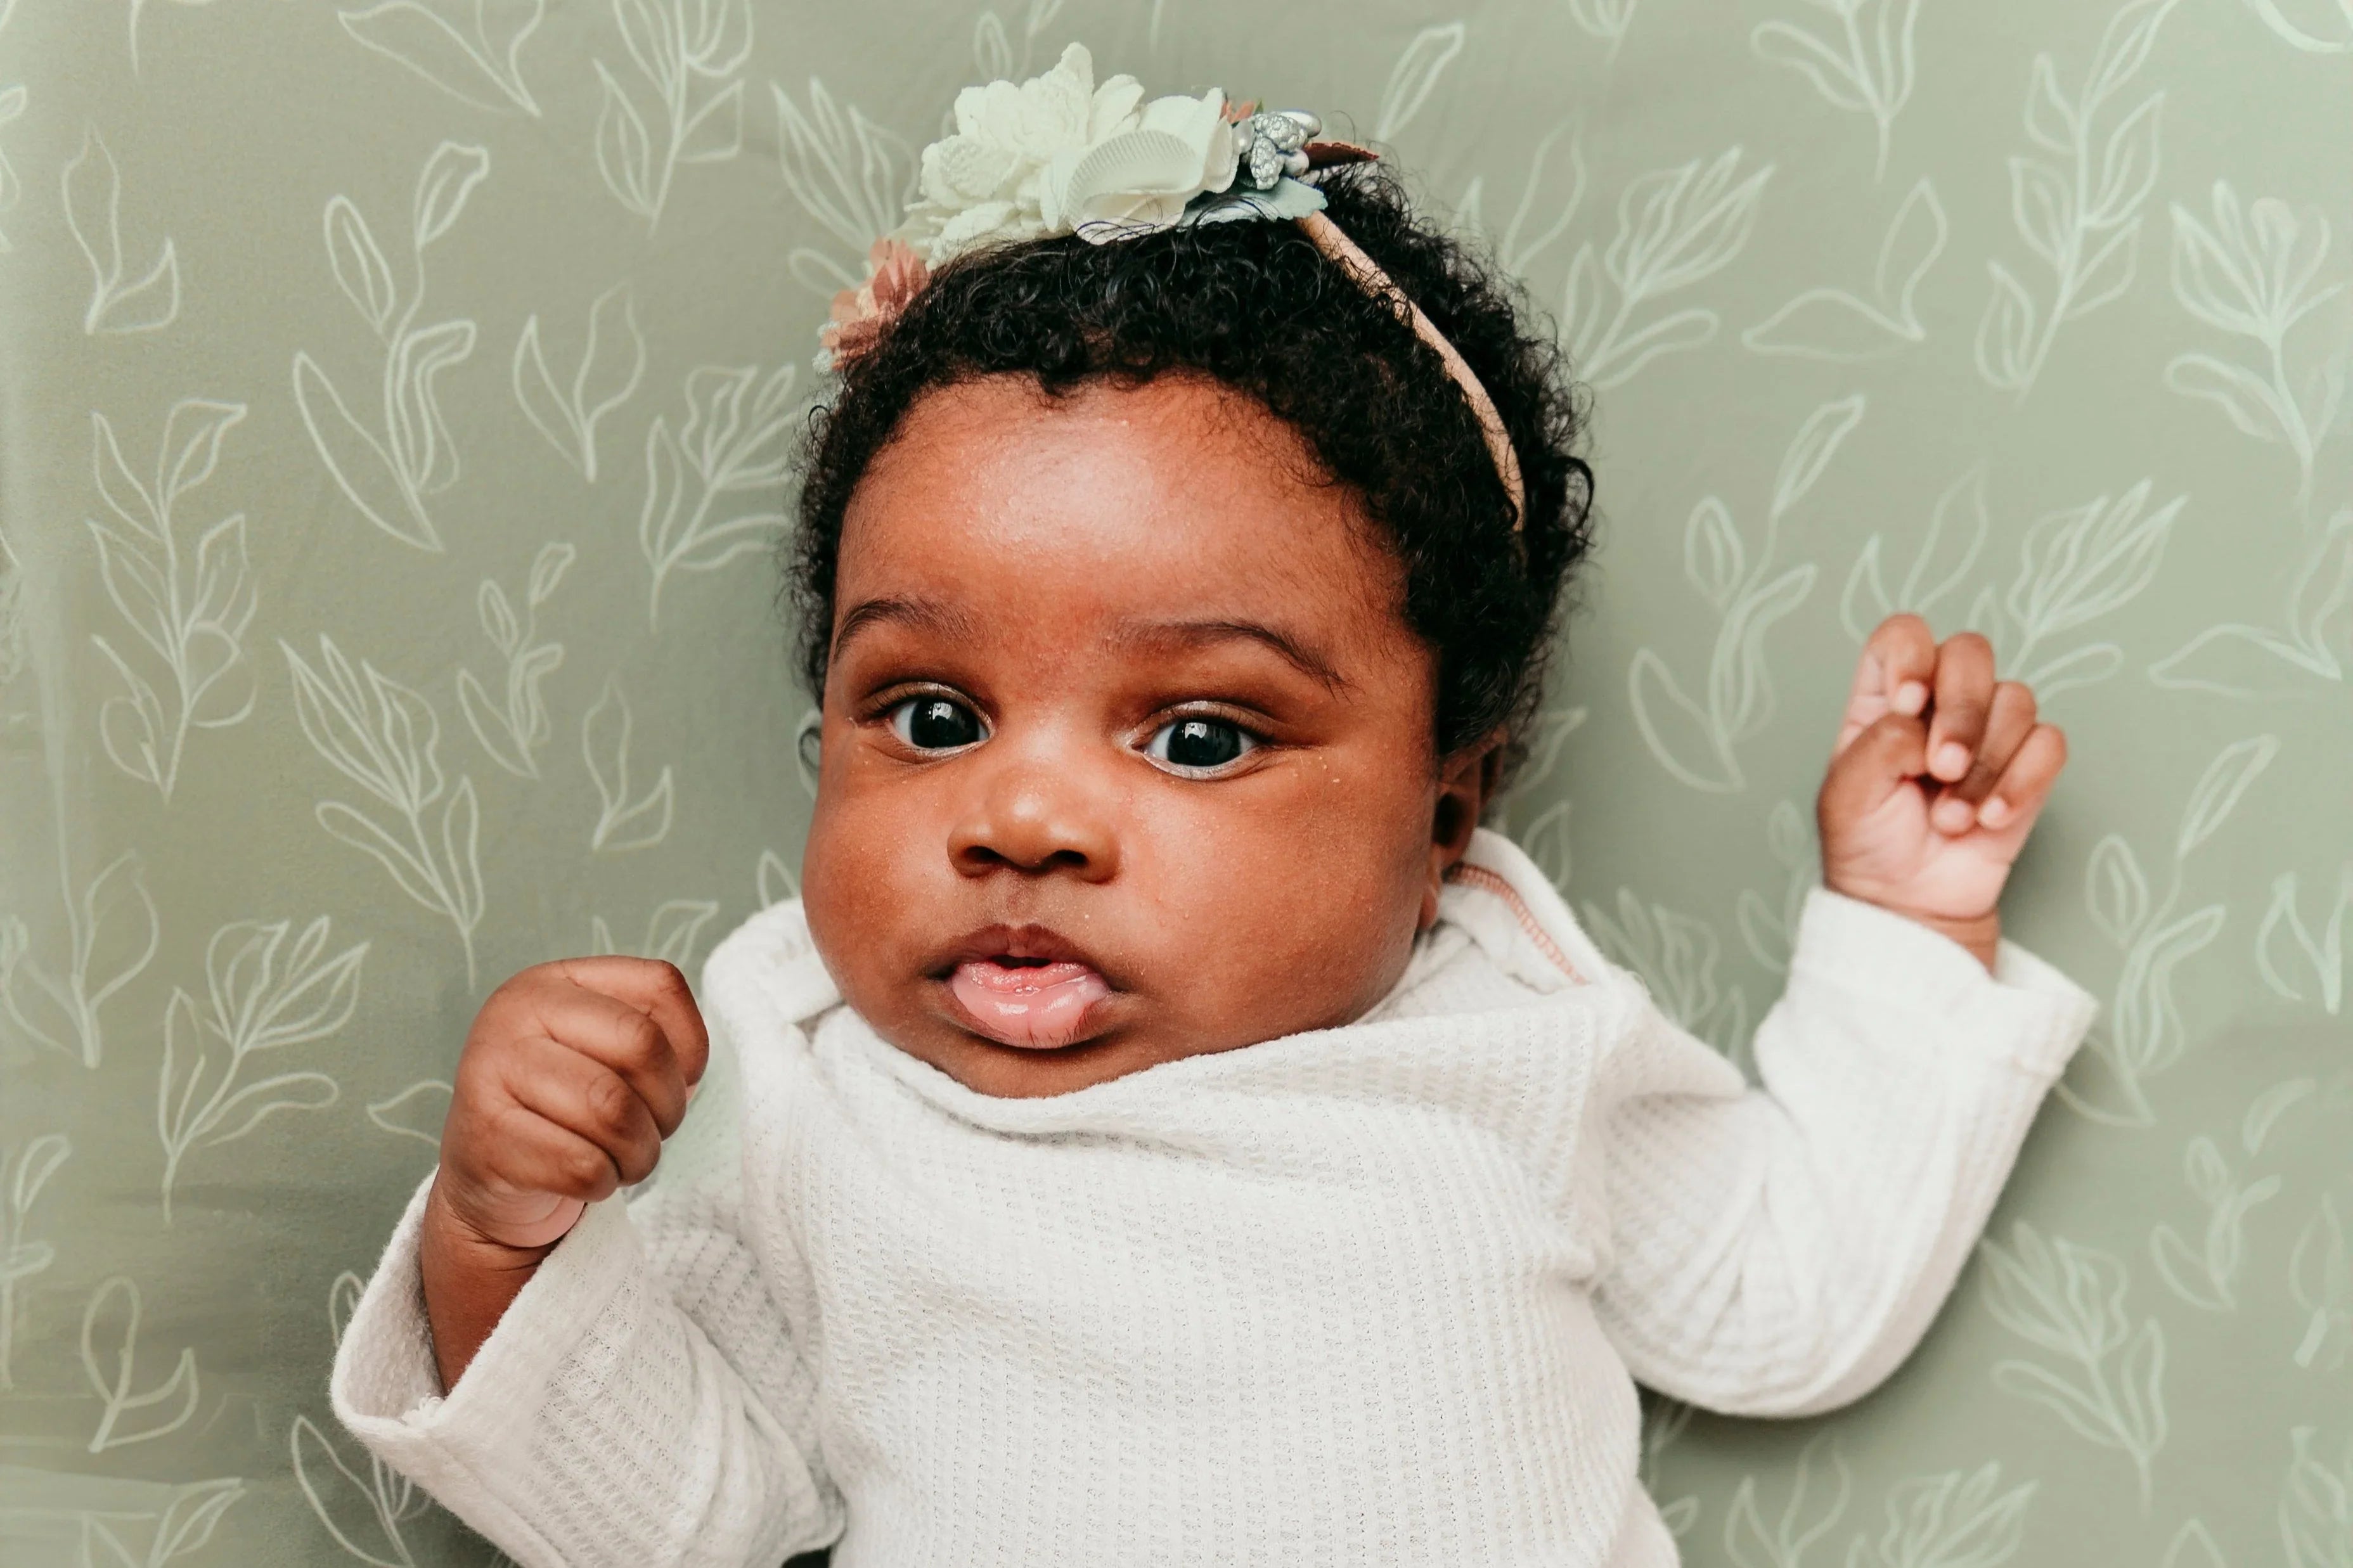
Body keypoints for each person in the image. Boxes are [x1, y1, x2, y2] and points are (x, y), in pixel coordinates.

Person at [330, 44, 2096, 1567]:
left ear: (1441, 821)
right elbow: (678, 1514)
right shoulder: (810, 1086)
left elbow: (1777, 1298)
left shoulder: (1504, 1028)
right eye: (931, 713)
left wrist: (1907, 926)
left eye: (1195, 734)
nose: (1022, 817)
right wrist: (507, 1237)